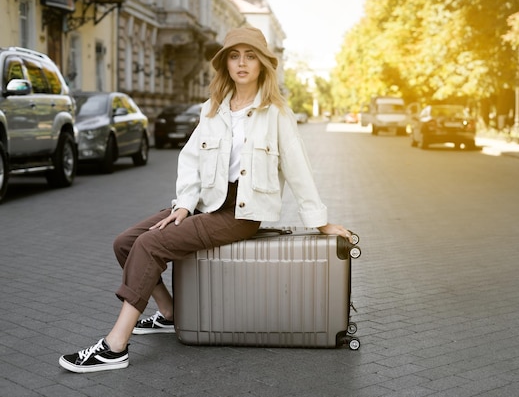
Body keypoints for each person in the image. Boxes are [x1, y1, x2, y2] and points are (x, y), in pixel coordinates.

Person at [59, 26, 352, 373]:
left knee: (150, 245)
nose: (241, 63)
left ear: (262, 64)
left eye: (250, 55)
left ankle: (115, 346)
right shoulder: (213, 109)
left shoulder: (277, 113)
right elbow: (191, 160)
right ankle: (170, 314)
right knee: (126, 242)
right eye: (234, 55)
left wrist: (319, 221)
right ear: (225, 63)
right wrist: (183, 205)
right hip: (204, 202)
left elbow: (299, 169)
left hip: (239, 212)